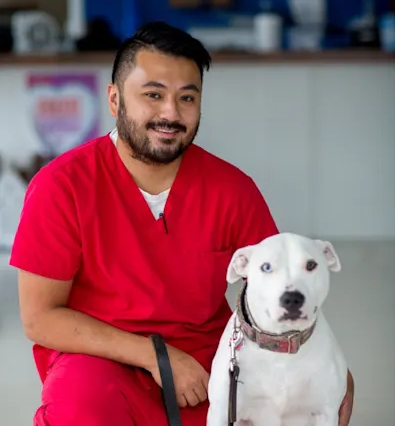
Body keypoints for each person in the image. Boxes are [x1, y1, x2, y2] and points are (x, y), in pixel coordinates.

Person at [10, 21, 354, 426]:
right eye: (153, 95)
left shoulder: (232, 189)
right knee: (79, 409)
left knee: (334, 389)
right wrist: (155, 356)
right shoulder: (62, 185)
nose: (170, 114)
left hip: (206, 362)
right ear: (115, 100)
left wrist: (319, 360)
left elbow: (279, 284)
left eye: (186, 98)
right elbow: (40, 318)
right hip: (101, 362)